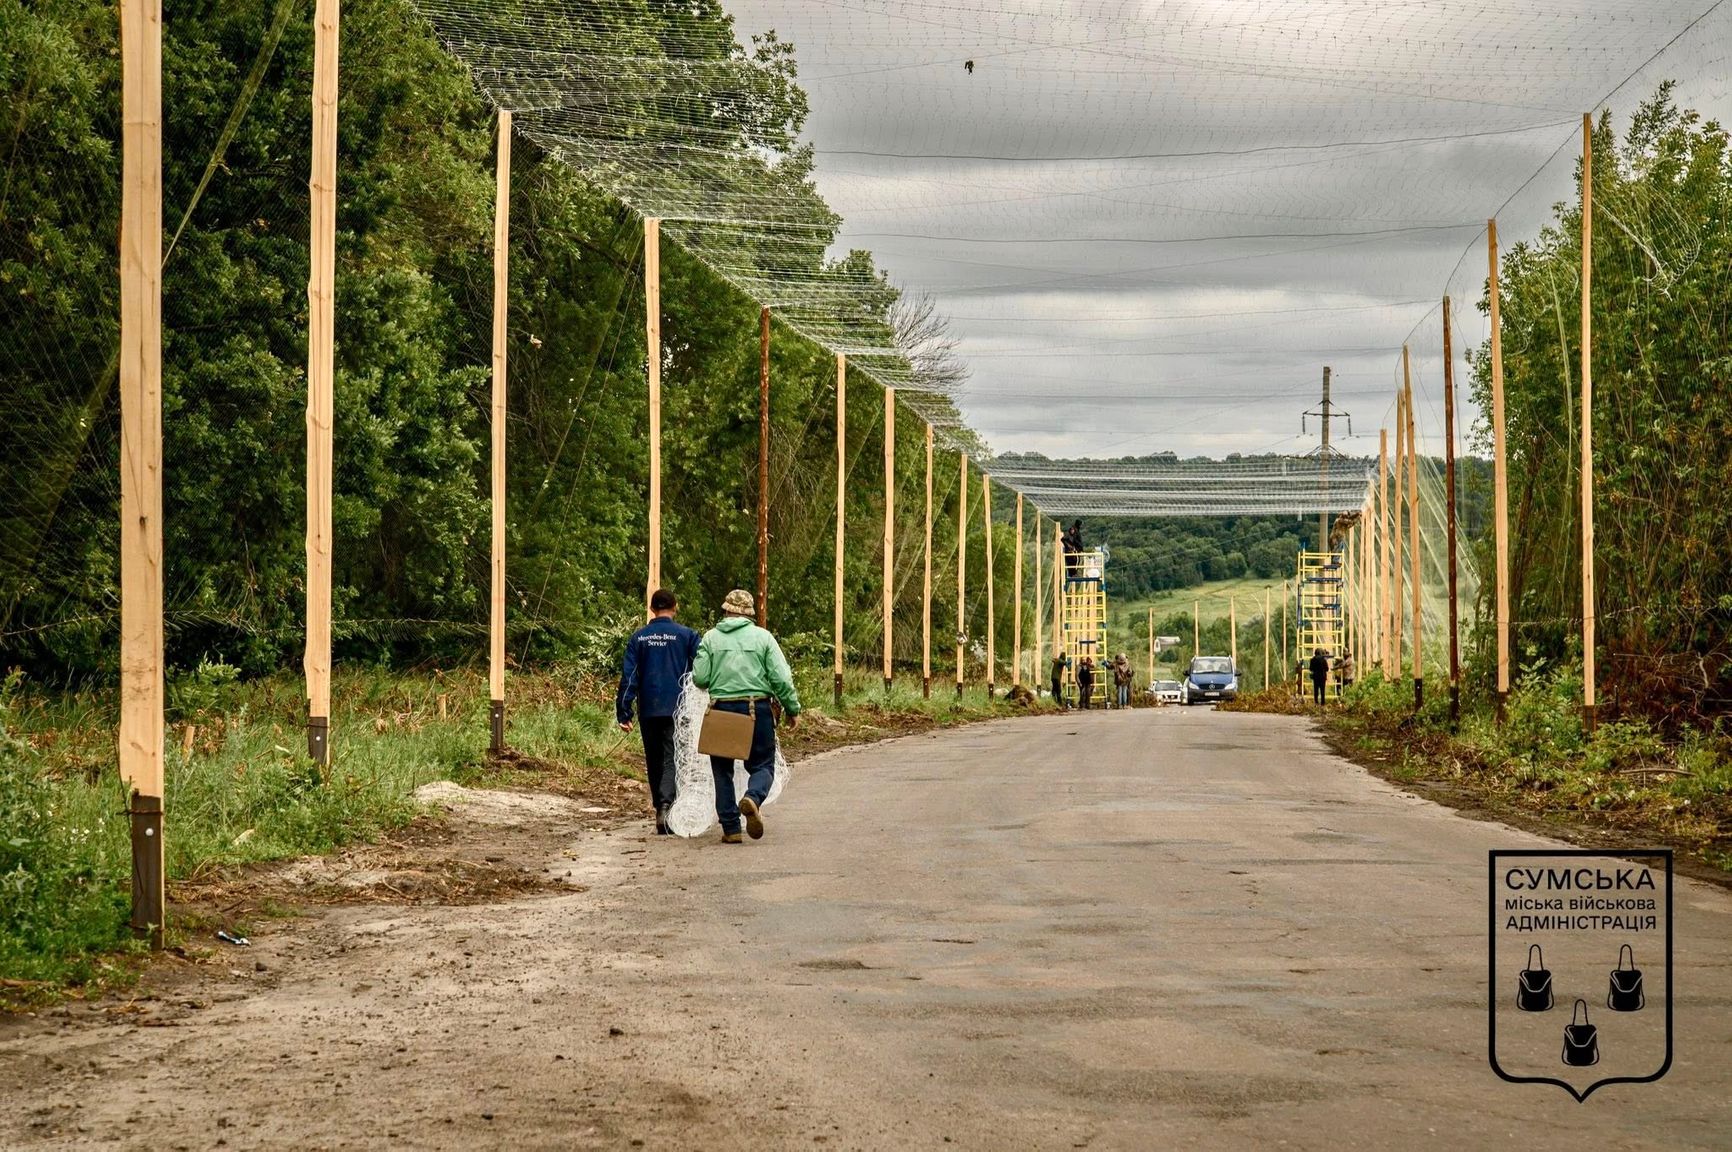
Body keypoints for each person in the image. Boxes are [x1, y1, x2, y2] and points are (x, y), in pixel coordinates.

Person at [692, 588, 800, 843]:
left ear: (726, 610)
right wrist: (793, 709)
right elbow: (781, 678)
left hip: (720, 709)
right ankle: (752, 797)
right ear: (749, 613)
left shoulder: (710, 638)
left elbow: (700, 677)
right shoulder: (763, 638)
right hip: (757, 709)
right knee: (763, 764)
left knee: (722, 769)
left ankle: (731, 829)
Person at [616, 588, 700, 835]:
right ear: (675, 607)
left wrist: (624, 712)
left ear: (652, 609)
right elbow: (702, 671)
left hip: (649, 708)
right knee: (671, 756)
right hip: (678, 707)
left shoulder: (639, 639)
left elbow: (629, 676)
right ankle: (666, 806)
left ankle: (660, 806)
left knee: (654, 758)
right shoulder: (688, 636)